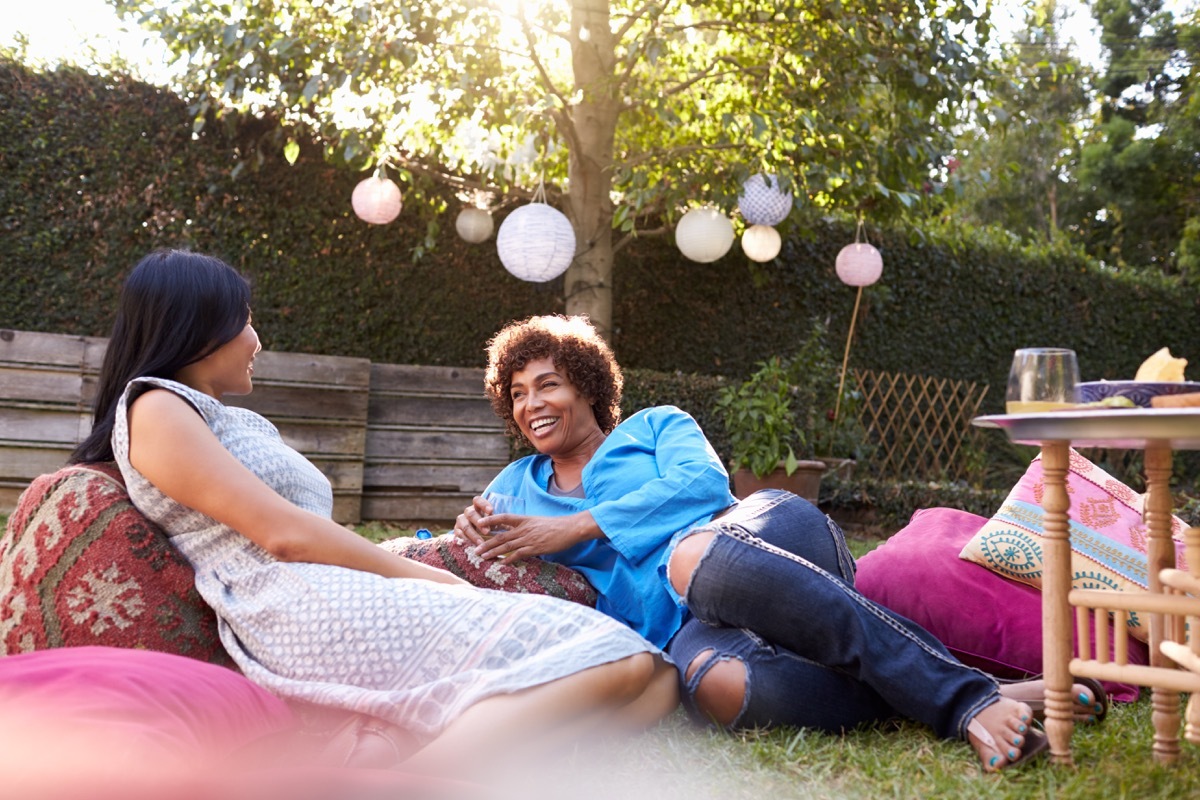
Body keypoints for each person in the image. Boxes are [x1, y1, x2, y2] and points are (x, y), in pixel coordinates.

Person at [69, 251, 678, 776]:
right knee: (622, 661)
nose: (257, 340)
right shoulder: (156, 406)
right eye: (246, 322)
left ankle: (472, 758)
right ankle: (390, 781)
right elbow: (282, 536)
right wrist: (431, 576)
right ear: (199, 327)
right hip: (298, 606)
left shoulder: (209, 415)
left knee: (659, 681)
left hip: (332, 590)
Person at [454, 314, 1109, 772]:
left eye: (547, 384)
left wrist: (575, 526)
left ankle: (960, 701)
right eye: (516, 393)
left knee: (687, 557)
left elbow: (703, 485)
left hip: (763, 536)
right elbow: (464, 552)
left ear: (587, 387)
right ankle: (994, 688)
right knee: (721, 688)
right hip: (682, 627)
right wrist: (461, 537)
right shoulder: (516, 484)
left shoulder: (655, 426)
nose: (530, 403)